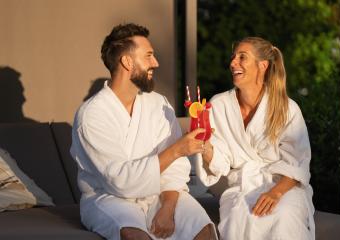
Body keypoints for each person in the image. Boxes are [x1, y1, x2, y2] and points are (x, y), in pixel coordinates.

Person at [70, 23, 217, 240]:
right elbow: (120, 182)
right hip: (109, 198)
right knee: (134, 235)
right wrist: (177, 150)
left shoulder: (158, 104)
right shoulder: (92, 115)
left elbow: (175, 170)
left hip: (160, 194)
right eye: (148, 55)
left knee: (203, 230)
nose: (155, 63)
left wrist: (167, 208)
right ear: (127, 62)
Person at [196, 37, 315, 239]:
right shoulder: (219, 105)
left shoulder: (286, 108)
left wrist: (276, 193)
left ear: (263, 65)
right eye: (233, 57)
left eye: (242, 57)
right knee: (240, 216)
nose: (233, 63)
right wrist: (204, 147)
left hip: (284, 186)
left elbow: (298, 162)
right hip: (241, 187)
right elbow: (221, 161)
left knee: (285, 216)